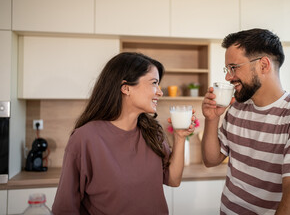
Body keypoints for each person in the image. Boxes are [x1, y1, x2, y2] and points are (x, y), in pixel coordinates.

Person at [52, 52, 196, 215]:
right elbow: (64, 209)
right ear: (126, 88)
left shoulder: (152, 132)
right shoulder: (85, 138)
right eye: (154, 83)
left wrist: (180, 137)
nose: (160, 92)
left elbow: (173, 180)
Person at [201, 28, 290, 215]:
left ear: (264, 65)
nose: (228, 76)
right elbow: (211, 160)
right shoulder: (236, 109)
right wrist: (212, 119)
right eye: (227, 69)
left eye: (234, 67)